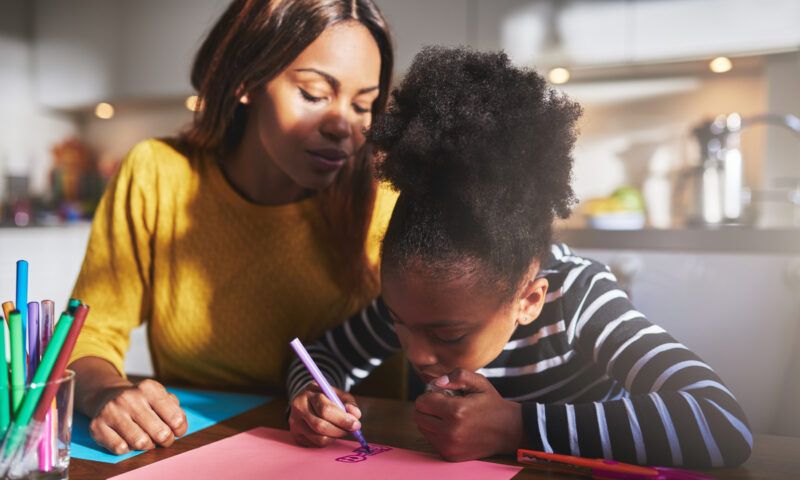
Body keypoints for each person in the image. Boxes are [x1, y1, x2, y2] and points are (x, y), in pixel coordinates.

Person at [287, 46, 753, 467]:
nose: (417, 354)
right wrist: (314, 398)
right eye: (398, 323)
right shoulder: (421, 302)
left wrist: (515, 426)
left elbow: (721, 422)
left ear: (529, 299)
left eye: (448, 334)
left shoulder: (579, 297)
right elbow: (322, 354)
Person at [68, 0, 398, 455]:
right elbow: (88, 332)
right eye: (315, 93)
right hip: (196, 446)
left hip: (360, 451)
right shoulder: (158, 174)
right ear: (248, 80)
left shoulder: (385, 195)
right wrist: (104, 391)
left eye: (365, 104)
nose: (344, 126)